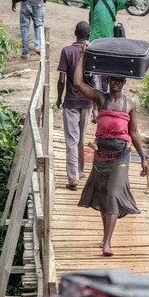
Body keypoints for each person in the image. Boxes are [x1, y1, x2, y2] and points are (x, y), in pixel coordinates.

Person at [74, 41, 147, 257]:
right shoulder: (100, 98)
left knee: (114, 194)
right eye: (112, 79)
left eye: (119, 80)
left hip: (121, 156)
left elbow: (134, 133)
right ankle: (105, 234)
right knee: (104, 195)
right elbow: (78, 83)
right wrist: (82, 55)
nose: (115, 83)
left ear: (124, 82)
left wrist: (142, 157)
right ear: (108, 80)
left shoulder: (130, 104)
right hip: (100, 155)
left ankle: (107, 242)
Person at [77, 0, 137, 94]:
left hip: (109, 44)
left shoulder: (116, 1)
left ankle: (105, 99)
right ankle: (97, 100)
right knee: (94, 75)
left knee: (107, 73)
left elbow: (134, 2)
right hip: (94, 43)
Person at [56, 21, 92, 191]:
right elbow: (95, 80)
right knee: (81, 139)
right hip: (87, 101)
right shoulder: (92, 52)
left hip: (70, 101)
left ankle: (73, 178)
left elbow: (62, 79)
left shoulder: (66, 51)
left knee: (72, 140)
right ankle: (80, 171)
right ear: (88, 35)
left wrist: (58, 98)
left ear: (74, 33)